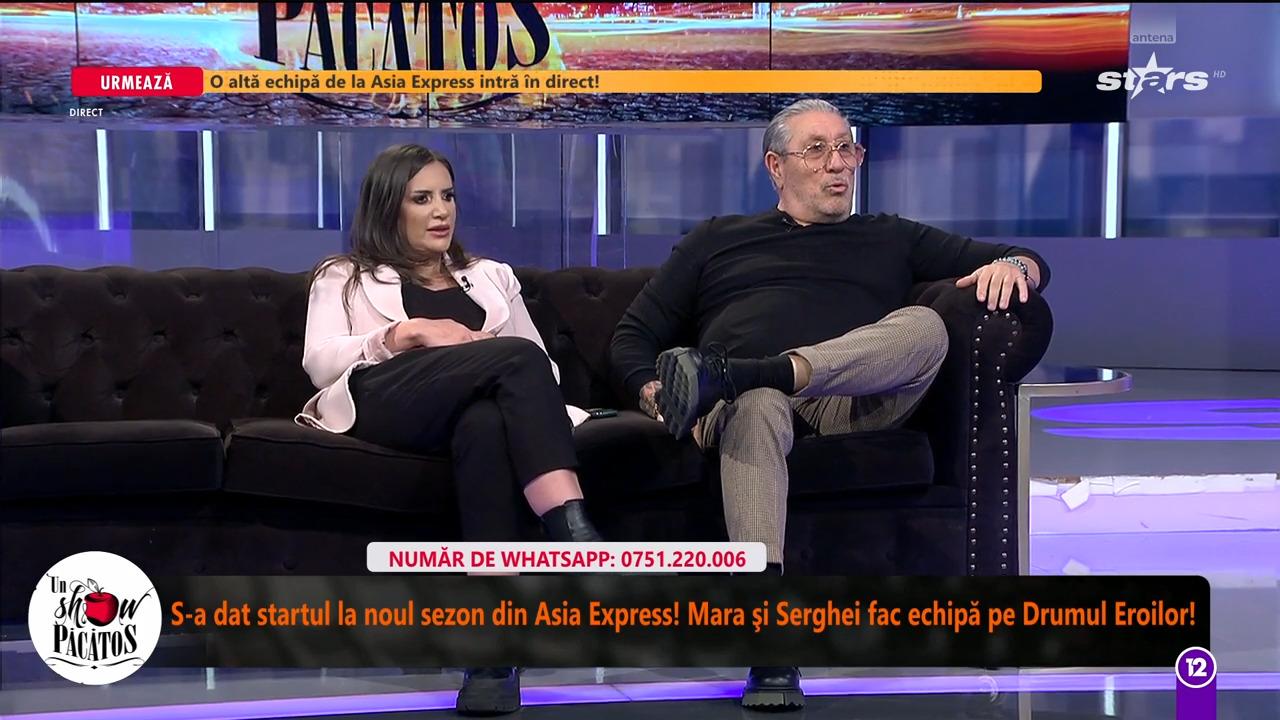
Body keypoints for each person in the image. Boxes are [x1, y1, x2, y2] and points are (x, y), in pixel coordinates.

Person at [609, 99, 1050, 711]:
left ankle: (753, 372)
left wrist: (1016, 265)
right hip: (739, 408)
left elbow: (1016, 255)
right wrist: (653, 391)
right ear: (776, 166)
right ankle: (770, 641)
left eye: (847, 148)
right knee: (759, 402)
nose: (837, 163)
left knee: (926, 325)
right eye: (817, 149)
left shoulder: (889, 235)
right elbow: (632, 336)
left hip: (847, 397)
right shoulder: (718, 239)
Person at [297, 144, 601, 716]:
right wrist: (404, 335)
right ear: (389, 207)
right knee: (512, 361)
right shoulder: (344, 277)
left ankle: (492, 658)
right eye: (422, 199)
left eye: (448, 196)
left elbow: (542, 370)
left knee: (485, 424)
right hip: (386, 401)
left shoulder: (490, 277)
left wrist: (483, 359)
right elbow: (320, 362)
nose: (441, 211)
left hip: (471, 416)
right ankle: (571, 530)